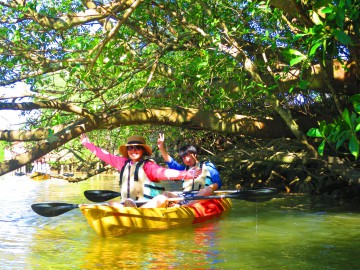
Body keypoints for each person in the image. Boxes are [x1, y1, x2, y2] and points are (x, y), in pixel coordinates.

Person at [80, 133, 201, 208]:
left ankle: (135, 213)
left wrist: (186, 174)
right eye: (130, 148)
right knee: (112, 204)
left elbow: (165, 173)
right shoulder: (122, 163)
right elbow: (104, 155)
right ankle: (128, 210)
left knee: (162, 198)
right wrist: (87, 144)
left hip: (149, 206)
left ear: (143, 150)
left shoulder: (148, 166)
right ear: (127, 150)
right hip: (128, 204)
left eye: (137, 147)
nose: (133, 150)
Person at [155, 133, 222, 204]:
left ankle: (185, 206)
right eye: (183, 158)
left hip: (202, 197)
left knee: (208, 190)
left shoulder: (208, 165)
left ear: (195, 154)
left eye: (188, 156)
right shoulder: (184, 170)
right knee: (166, 193)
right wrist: (161, 148)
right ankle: (181, 205)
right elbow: (171, 162)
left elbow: (218, 182)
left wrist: (208, 189)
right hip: (185, 197)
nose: (186, 159)